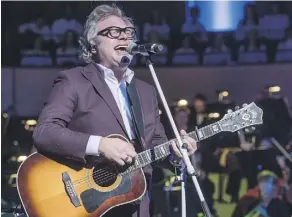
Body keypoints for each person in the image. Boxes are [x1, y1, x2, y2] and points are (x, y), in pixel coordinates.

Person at [32, 4, 197, 217]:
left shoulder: (146, 92)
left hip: (137, 205)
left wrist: (175, 153)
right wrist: (100, 145)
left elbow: (155, 145)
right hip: (86, 204)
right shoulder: (73, 81)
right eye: (113, 32)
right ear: (93, 45)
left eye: (128, 33)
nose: (124, 38)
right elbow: (45, 132)